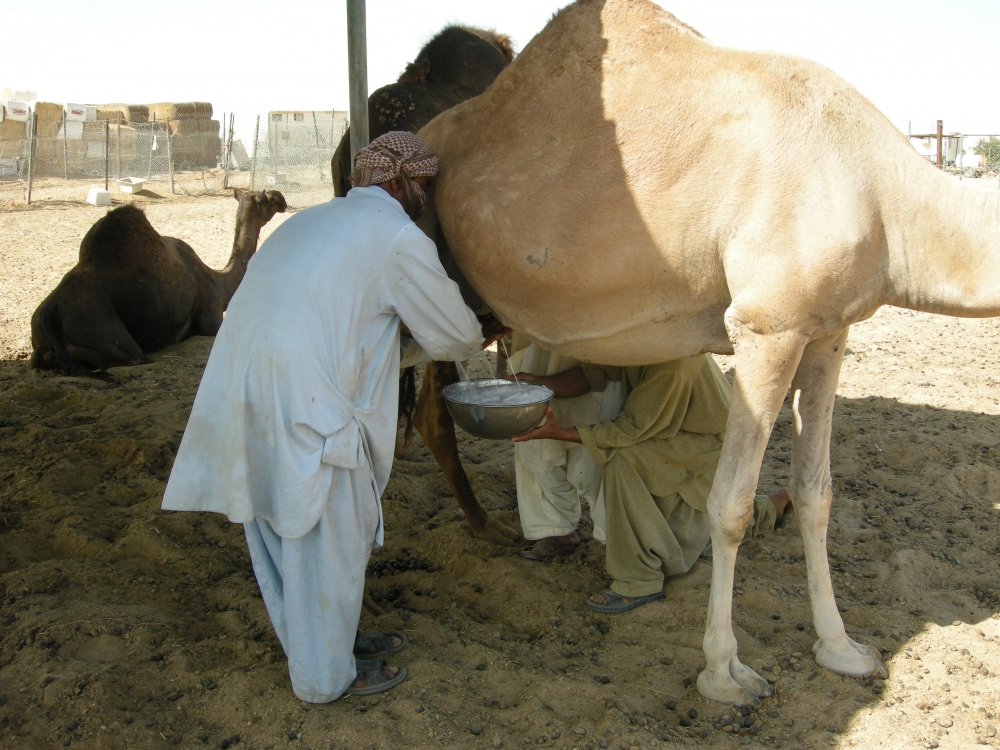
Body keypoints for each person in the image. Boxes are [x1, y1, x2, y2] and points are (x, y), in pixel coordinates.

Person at [161, 131, 508, 702]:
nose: (427, 195)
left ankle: (323, 645)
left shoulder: (306, 222)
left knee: (277, 528)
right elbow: (453, 332)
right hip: (307, 401)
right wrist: (480, 329)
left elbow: (363, 327)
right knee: (328, 537)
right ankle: (324, 678)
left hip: (243, 391)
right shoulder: (396, 235)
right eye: (423, 184)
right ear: (398, 184)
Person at [511, 356, 791, 613]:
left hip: (707, 444)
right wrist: (541, 383)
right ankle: (770, 509)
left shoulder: (672, 366)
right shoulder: (641, 344)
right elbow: (595, 373)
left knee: (623, 458)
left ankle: (639, 580)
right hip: (678, 434)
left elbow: (630, 430)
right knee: (713, 510)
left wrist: (561, 433)